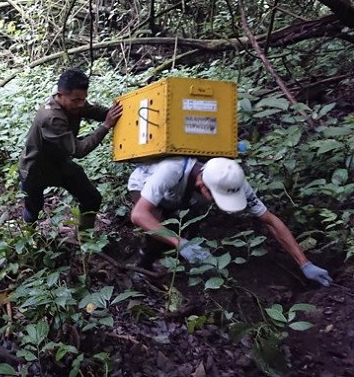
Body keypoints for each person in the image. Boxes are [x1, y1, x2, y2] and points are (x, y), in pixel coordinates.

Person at [128, 156, 333, 286]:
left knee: (188, 224)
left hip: (182, 198)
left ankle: (182, 265)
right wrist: (181, 243)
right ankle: (142, 267)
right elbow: (139, 215)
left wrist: (304, 263)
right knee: (156, 228)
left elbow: (269, 220)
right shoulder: (171, 169)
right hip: (145, 187)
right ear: (202, 185)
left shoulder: (233, 180)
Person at [18, 68, 124, 235]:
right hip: (35, 169)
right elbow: (79, 150)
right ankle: (27, 240)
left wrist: (120, 112)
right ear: (60, 95)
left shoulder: (75, 104)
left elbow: (99, 112)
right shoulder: (51, 117)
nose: (81, 104)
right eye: (76, 100)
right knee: (34, 209)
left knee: (91, 198)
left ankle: (85, 239)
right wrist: (106, 126)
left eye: (83, 99)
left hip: (58, 163)